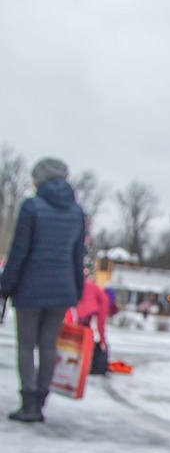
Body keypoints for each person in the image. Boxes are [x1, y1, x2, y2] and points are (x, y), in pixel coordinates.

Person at [0, 157, 87, 422]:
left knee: (26, 346)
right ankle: (41, 402)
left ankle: (27, 402)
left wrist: (5, 286)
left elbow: (19, 252)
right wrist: (77, 291)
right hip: (62, 291)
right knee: (49, 346)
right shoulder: (77, 212)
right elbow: (77, 257)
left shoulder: (32, 207)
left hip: (29, 289)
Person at [71, 268, 112, 374]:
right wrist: (103, 341)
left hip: (74, 305)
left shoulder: (93, 288)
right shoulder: (105, 299)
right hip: (81, 310)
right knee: (82, 335)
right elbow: (101, 323)